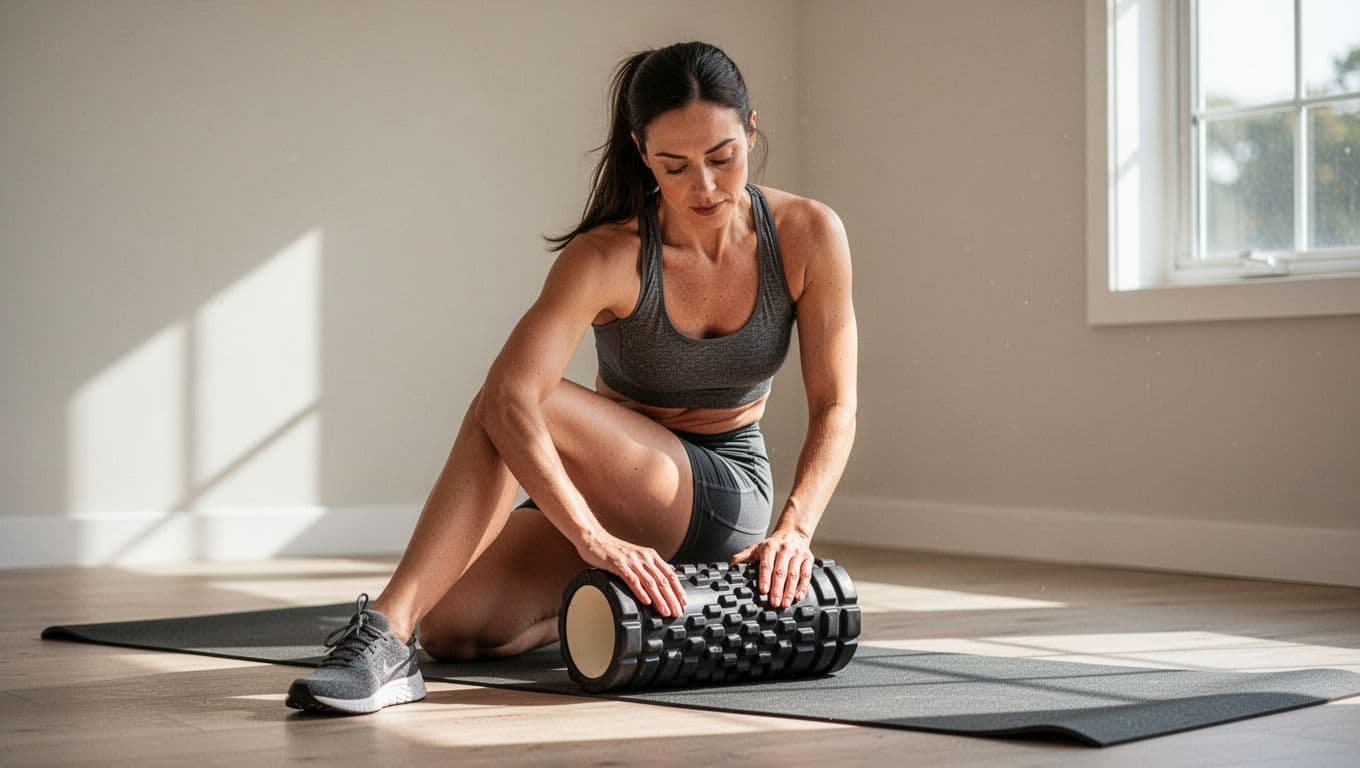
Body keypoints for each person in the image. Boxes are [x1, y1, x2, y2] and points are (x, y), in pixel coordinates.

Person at [285, 40, 857, 714]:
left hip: (721, 492)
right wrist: (594, 537)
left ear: (751, 130)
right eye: (675, 166)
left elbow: (836, 406)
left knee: (517, 398)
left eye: (722, 158)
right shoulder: (608, 255)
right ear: (643, 153)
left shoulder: (807, 233)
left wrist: (796, 527)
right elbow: (511, 406)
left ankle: (383, 634)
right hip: (612, 489)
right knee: (460, 630)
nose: (703, 187)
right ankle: (646, 602)